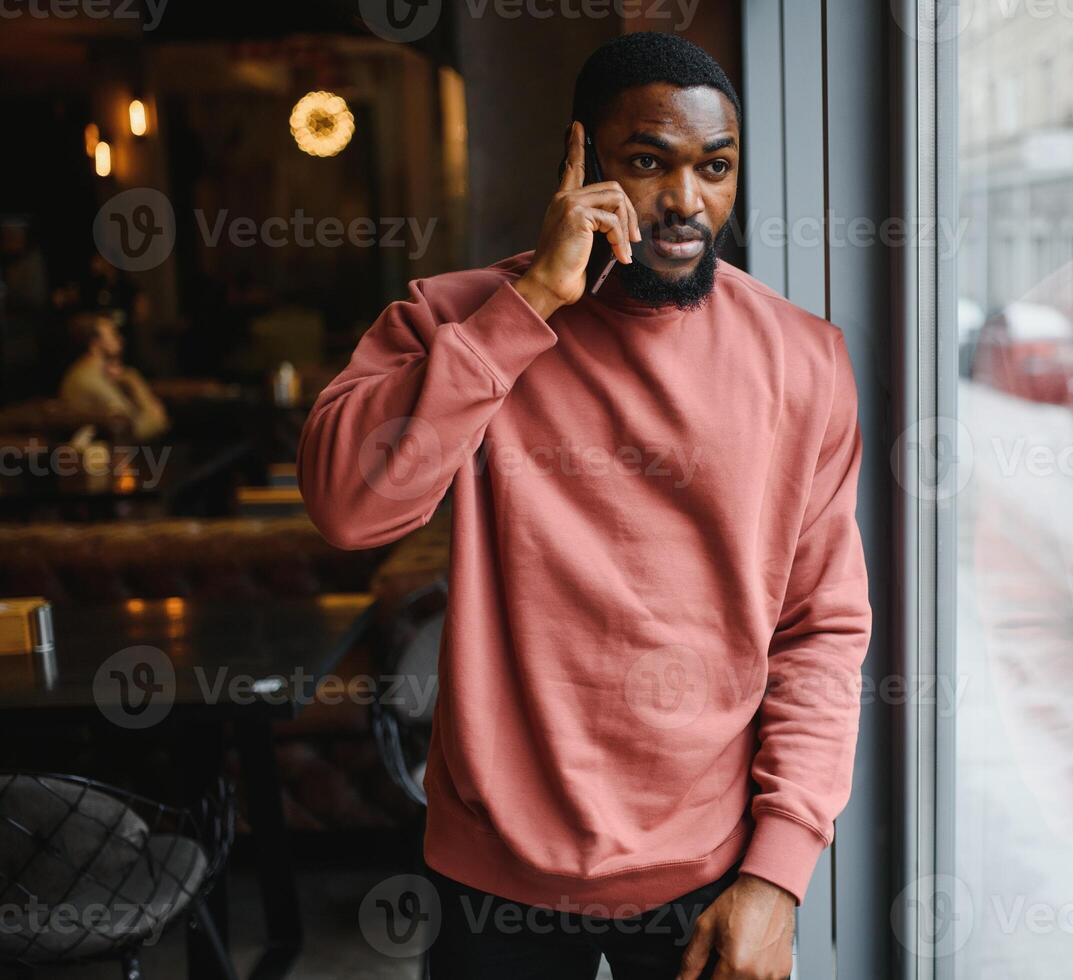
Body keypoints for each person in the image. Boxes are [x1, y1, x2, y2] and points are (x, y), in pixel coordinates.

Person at [298, 32, 871, 980]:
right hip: (494, 872)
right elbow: (349, 508)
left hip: (711, 860)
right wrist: (529, 305)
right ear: (581, 162)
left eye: (714, 167)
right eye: (649, 161)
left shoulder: (804, 361)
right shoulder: (457, 319)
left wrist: (780, 873)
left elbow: (821, 632)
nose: (688, 201)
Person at [58, 311, 170, 441]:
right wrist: (133, 381)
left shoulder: (95, 373)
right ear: (95, 344)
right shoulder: (88, 378)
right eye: (113, 334)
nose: (121, 339)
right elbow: (130, 428)